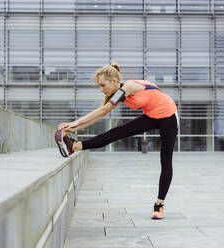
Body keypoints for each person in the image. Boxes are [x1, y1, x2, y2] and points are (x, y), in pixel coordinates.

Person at [55, 62, 179, 219]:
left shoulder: (129, 87)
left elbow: (104, 110)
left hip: (169, 116)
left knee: (166, 160)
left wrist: (75, 123)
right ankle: (74, 146)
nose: (101, 90)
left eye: (102, 85)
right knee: (116, 132)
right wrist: (73, 127)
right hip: (151, 116)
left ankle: (159, 204)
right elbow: (101, 114)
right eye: (99, 86)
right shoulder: (117, 94)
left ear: (114, 81)